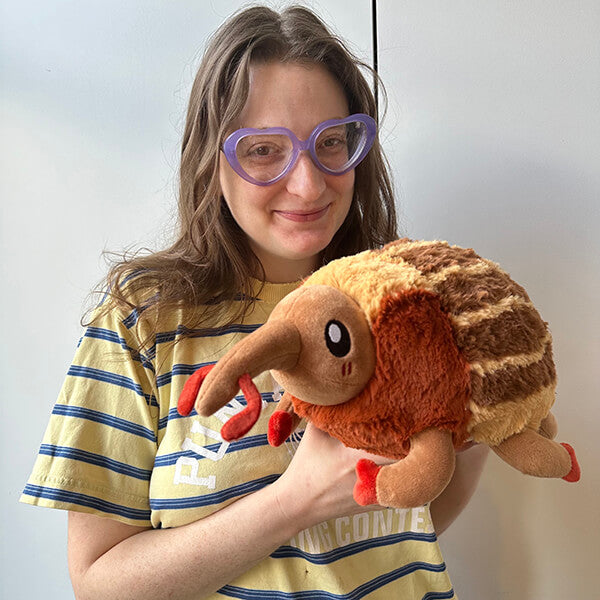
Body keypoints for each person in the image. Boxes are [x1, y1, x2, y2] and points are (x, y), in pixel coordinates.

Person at [21, 5, 488, 599]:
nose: (309, 184)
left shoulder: (401, 299)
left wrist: (477, 433)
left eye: (332, 142)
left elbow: (404, 525)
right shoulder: (143, 320)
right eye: (265, 150)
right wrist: (294, 504)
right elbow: (98, 583)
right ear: (211, 157)